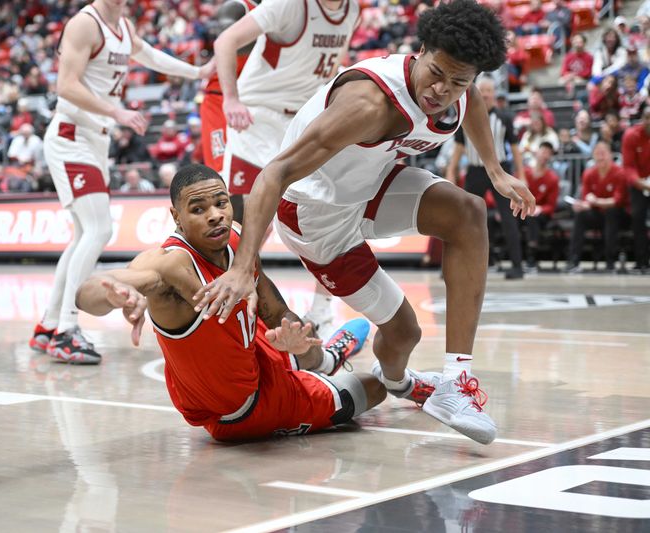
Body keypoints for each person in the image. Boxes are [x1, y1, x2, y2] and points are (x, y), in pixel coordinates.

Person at [193, 0, 536, 445]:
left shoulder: (456, 84)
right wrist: (242, 268)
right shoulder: (369, 104)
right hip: (315, 213)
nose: (442, 90)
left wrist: (494, 169)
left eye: (458, 81)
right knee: (404, 332)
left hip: (372, 183)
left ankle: (455, 381)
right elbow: (273, 174)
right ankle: (401, 383)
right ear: (422, 49)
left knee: (469, 212)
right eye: (437, 73)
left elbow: (468, 103)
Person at [75, 164, 427, 441]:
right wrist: (112, 293)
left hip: (249, 347)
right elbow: (89, 291)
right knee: (372, 388)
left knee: (288, 335)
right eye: (198, 209)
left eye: (221, 202)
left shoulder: (238, 237)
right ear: (176, 217)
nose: (215, 215)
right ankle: (324, 364)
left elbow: (276, 312)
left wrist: (298, 343)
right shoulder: (168, 266)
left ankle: (324, 359)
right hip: (244, 408)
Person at [29, 0, 215, 364]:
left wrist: (197, 73)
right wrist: (116, 111)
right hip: (72, 136)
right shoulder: (85, 24)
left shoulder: (124, 26)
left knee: (84, 234)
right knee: (98, 230)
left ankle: (49, 324)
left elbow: (152, 57)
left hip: (94, 139)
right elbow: (66, 85)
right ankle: (66, 329)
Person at [214, 0, 360, 336]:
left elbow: (332, 63)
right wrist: (230, 99)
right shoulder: (290, 5)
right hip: (258, 116)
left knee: (327, 216)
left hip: (305, 121)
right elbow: (225, 41)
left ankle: (322, 313)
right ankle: (224, 297)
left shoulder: (352, 10)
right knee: (246, 222)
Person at [447, 76, 526, 279]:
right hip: (475, 171)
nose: (486, 94)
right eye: (482, 90)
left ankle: (517, 265)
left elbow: (516, 149)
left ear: (494, 94)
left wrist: (521, 174)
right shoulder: (465, 117)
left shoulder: (504, 118)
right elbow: (458, 148)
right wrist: (451, 172)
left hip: (500, 170)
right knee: (463, 217)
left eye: (489, 91)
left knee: (509, 218)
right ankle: (455, 265)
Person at [200, 0, 257, 175]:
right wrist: (267, 35)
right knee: (223, 170)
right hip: (221, 98)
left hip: (251, 97)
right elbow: (226, 40)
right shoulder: (238, 6)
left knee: (251, 170)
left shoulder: (284, 12)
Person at [566, 142, 629, 273]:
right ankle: (574, 260)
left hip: (619, 215)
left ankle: (610, 261)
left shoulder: (620, 173)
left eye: (603, 153)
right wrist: (581, 205)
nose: (600, 156)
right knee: (581, 216)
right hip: (598, 214)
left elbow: (617, 201)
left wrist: (596, 201)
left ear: (611, 155)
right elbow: (587, 200)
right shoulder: (589, 173)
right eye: (597, 153)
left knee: (611, 212)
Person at [522, 142, 559, 271]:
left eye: (548, 153)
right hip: (522, 209)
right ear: (536, 153)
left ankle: (531, 257)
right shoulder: (524, 172)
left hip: (540, 215)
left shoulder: (552, 178)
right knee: (503, 216)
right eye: (543, 151)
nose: (545, 155)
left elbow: (551, 206)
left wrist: (540, 208)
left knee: (533, 217)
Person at [621, 107, 650, 274]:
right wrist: (642, 184)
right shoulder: (631, 136)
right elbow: (629, 167)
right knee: (638, 220)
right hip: (639, 185)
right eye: (647, 117)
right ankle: (641, 261)